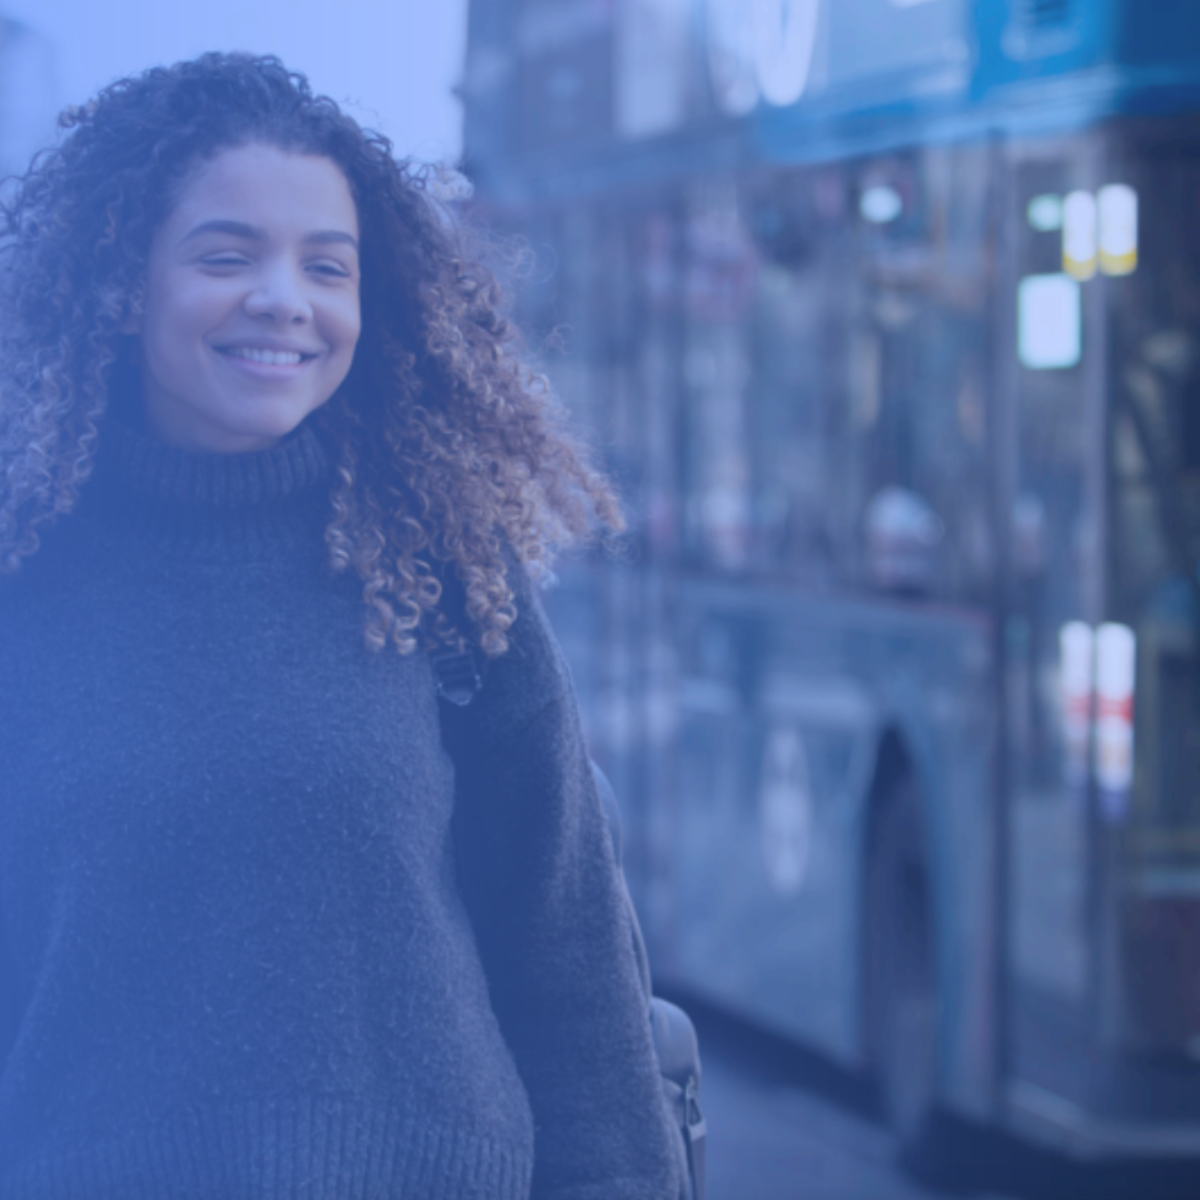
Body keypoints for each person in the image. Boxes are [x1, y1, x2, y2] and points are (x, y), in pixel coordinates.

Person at [0, 53, 680, 1199]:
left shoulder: (439, 565)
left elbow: (567, 953)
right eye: (227, 256)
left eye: (328, 266)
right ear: (122, 281)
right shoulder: (24, 578)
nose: (285, 298)